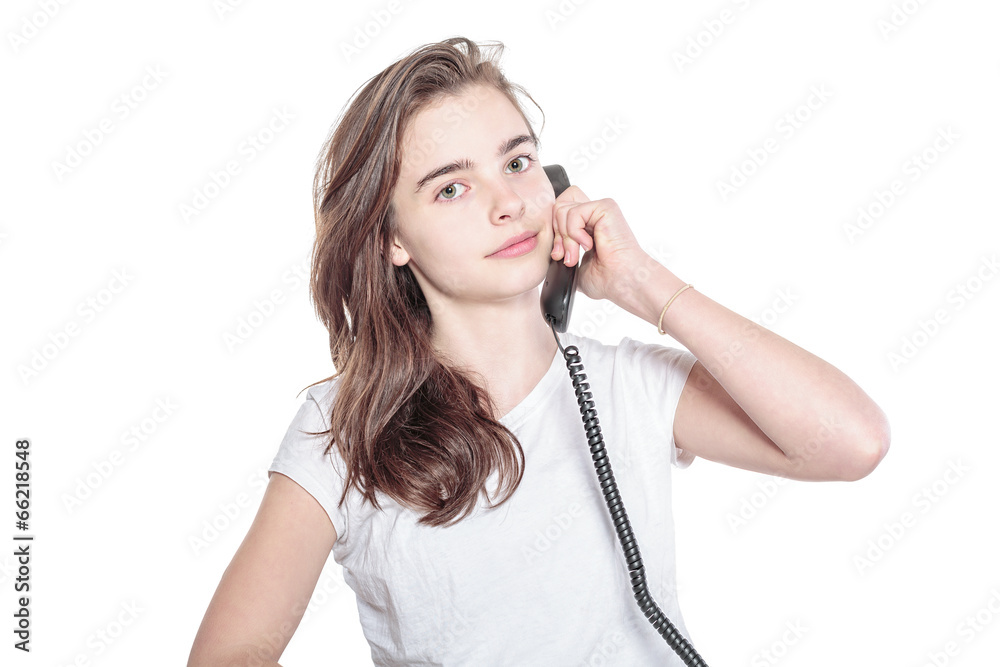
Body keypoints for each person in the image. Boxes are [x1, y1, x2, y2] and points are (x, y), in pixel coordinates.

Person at [187, 37, 890, 666]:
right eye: (453, 187)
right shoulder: (342, 430)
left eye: (518, 161)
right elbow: (231, 652)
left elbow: (851, 440)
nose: (508, 203)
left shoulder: (627, 386)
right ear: (391, 240)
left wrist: (644, 284)